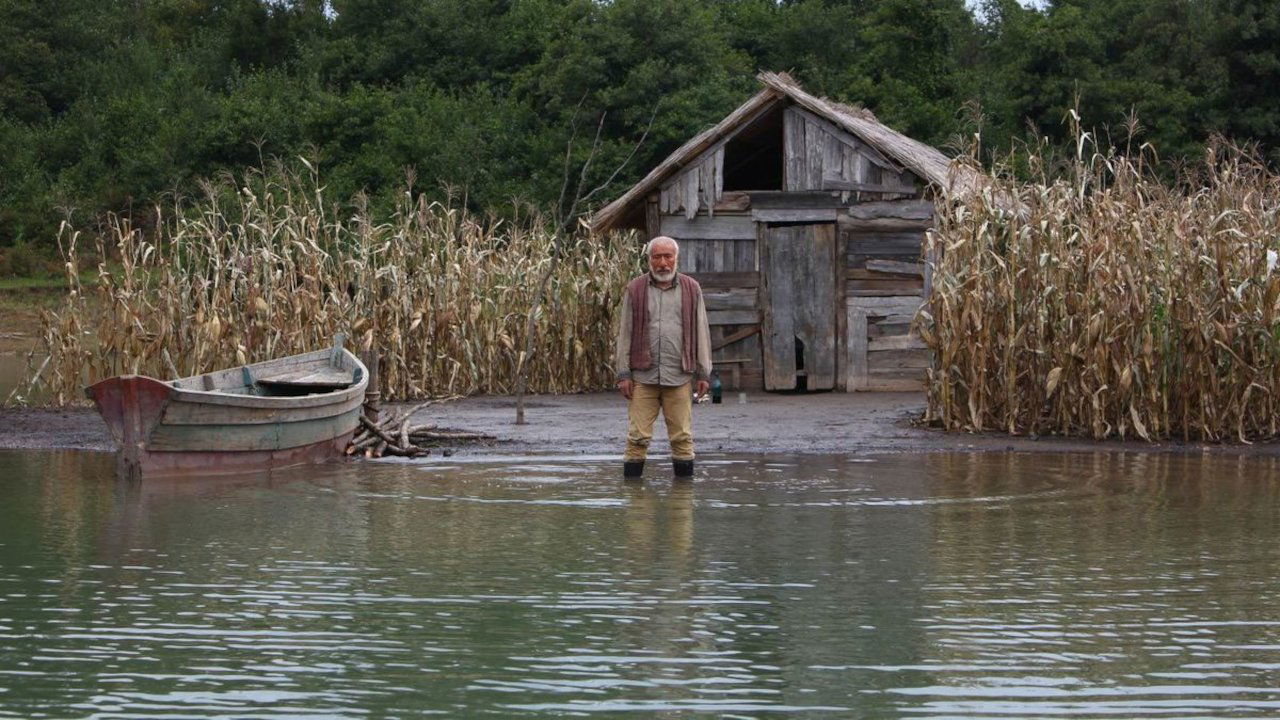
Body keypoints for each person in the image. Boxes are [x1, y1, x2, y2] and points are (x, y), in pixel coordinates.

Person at [614, 236, 712, 480]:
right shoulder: (635, 289)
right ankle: (636, 510)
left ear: (676, 259)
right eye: (657, 257)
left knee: (682, 438)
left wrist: (704, 373)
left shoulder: (691, 288)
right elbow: (624, 333)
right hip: (642, 377)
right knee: (637, 438)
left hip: (679, 376)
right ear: (649, 260)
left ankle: (682, 508)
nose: (663, 263)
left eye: (668, 256)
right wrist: (623, 374)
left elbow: (702, 331)